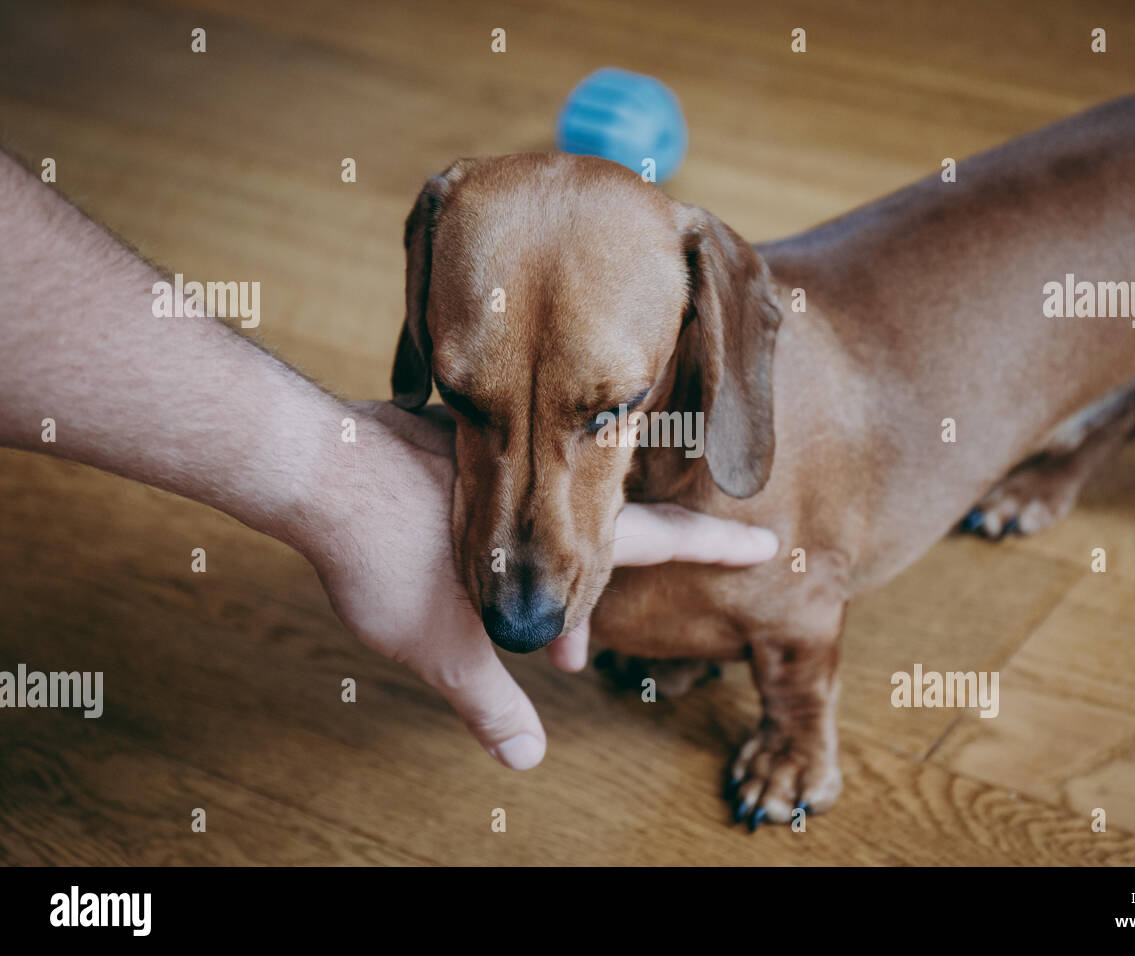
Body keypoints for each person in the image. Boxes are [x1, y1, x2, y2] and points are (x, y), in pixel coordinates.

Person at [0, 150, 778, 770]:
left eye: (605, 412)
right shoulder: (454, 229)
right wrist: (333, 485)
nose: (517, 605)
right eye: (466, 399)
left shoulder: (699, 279)